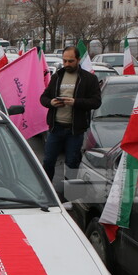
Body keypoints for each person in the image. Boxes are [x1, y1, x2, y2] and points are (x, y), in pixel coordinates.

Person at [40, 45, 102, 181]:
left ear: (78, 60)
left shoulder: (89, 79)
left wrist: (75, 102)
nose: (67, 64)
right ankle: (46, 193)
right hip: (55, 128)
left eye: (70, 61)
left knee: (72, 163)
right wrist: (51, 103)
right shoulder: (57, 76)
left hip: (75, 131)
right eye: (64, 61)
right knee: (48, 161)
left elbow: (96, 102)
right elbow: (43, 98)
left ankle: (70, 195)